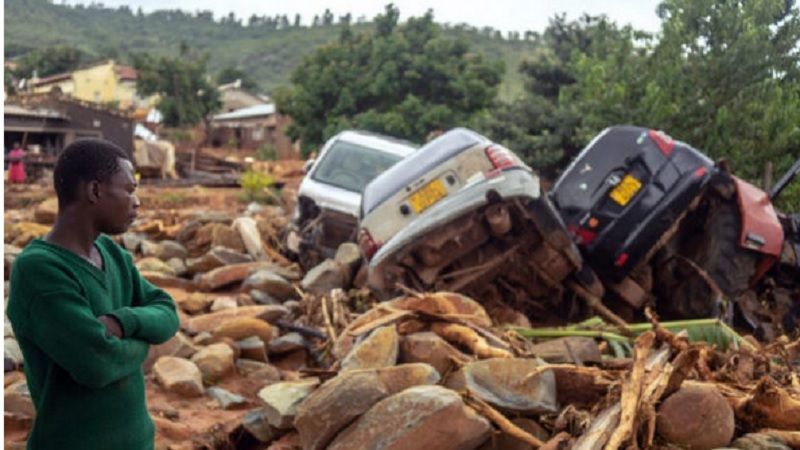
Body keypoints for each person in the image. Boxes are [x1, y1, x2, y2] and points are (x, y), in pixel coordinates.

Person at [6, 138, 180, 450]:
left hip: (138, 440)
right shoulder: (39, 270)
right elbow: (96, 364)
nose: (136, 202)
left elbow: (167, 311)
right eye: (128, 190)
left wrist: (121, 322)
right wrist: (147, 345)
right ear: (95, 191)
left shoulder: (111, 253)